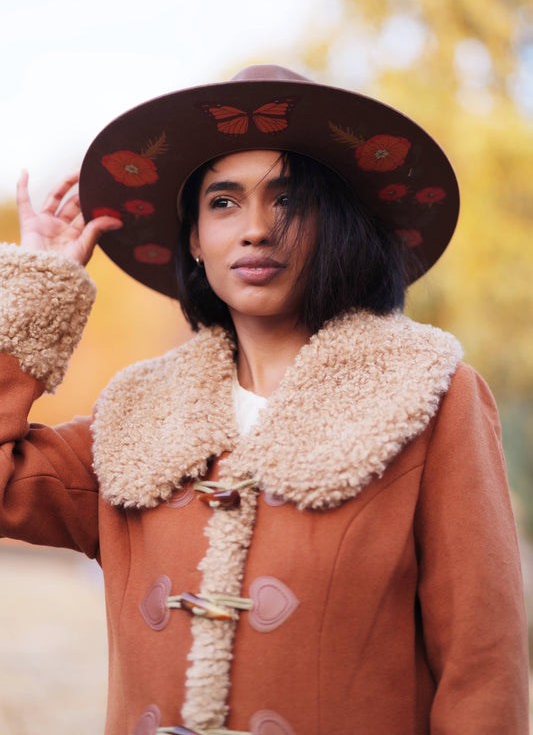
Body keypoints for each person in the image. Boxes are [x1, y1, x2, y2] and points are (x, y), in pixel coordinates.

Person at [0, 64, 528, 735]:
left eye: (287, 200)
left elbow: (481, 668)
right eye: (222, 202)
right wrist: (36, 294)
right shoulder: (136, 413)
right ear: (193, 237)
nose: (255, 228)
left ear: (332, 221)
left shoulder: (430, 393)